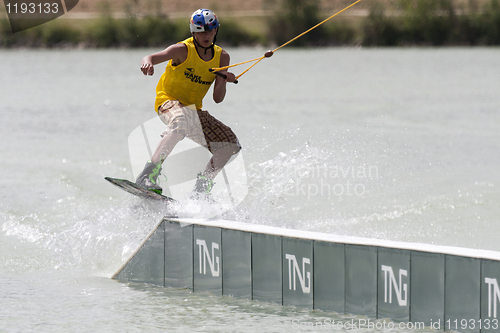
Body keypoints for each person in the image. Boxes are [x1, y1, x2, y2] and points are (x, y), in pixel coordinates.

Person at [135, 8, 241, 199]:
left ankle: (201, 191)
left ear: (216, 30)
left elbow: (218, 98)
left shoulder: (222, 57)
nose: (206, 35)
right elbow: (150, 57)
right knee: (181, 120)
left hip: (193, 111)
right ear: (193, 32)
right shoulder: (182, 50)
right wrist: (147, 63)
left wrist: (223, 79)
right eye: (201, 31)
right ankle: (147, 176)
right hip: (167, 102)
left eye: (210, 30)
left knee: (229, 144)